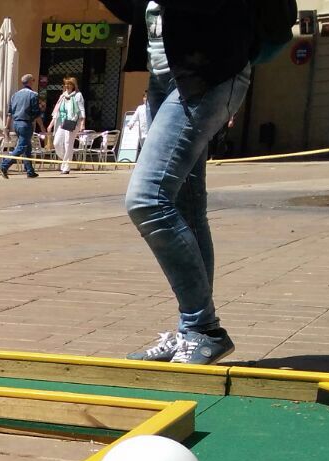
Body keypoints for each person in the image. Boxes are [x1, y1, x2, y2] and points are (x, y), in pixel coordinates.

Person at [105, 0, 297, 365]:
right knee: (188, 210)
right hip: (164, 78)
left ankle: (204, 328)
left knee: (147, 200)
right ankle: (192, 333)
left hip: (210, 73)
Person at [0, 75, 42, 179]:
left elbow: (10, 113)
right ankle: (4, 165)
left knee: (27, 147)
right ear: (30, 82)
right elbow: (36, 113)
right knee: (22, 147)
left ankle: (30, 171)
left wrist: (7, 126)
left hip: (16, 123)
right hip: (25, 124)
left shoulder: (15, 95)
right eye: (33, 80)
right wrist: (42, 127)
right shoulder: (33, 95)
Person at [51, 77, 87, 175]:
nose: (67, 86)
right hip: (62, 122)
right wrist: (51, 124)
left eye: (69, 84)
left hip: (72, 122)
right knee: (56, 143)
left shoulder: (78, 95)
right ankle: (66, 159)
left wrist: (82, 124)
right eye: (66, 84)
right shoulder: (62, 96)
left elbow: (81, 110)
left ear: (74, 85)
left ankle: (66, 167)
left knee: (68, 143)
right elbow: (56, 111)